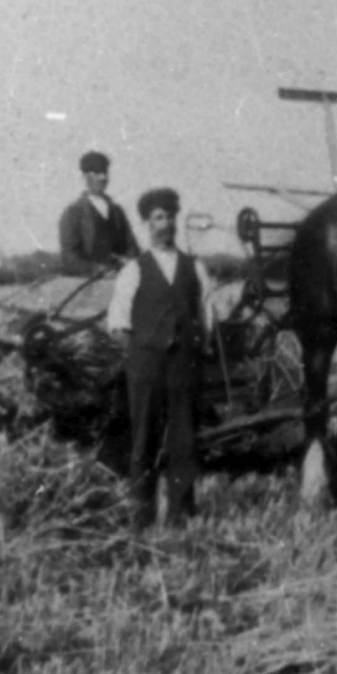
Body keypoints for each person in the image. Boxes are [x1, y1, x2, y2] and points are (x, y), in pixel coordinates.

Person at [105, 187, 219, 531]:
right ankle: (141, 516)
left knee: (184, 440)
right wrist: (143, 355)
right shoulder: (133, 271)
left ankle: (180, 516)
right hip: (146, 367)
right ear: (146, 224)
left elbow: (208, 317)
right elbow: (118, 324)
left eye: (169, 217)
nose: (165, 224)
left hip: (184, 366)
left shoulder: (194, 268)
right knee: (144, 441)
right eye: (158, 217)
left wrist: (196, 348)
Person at [58, 150, 136, 275]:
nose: (103, 178)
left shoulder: (117, 212)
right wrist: (97, 270)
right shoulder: (73, 212)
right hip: (87, 283)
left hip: (120, 278)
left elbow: (131, 248)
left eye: (105, 172)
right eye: (97, 173)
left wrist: (129, 263)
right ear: (84, 177)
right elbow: (69, 257)